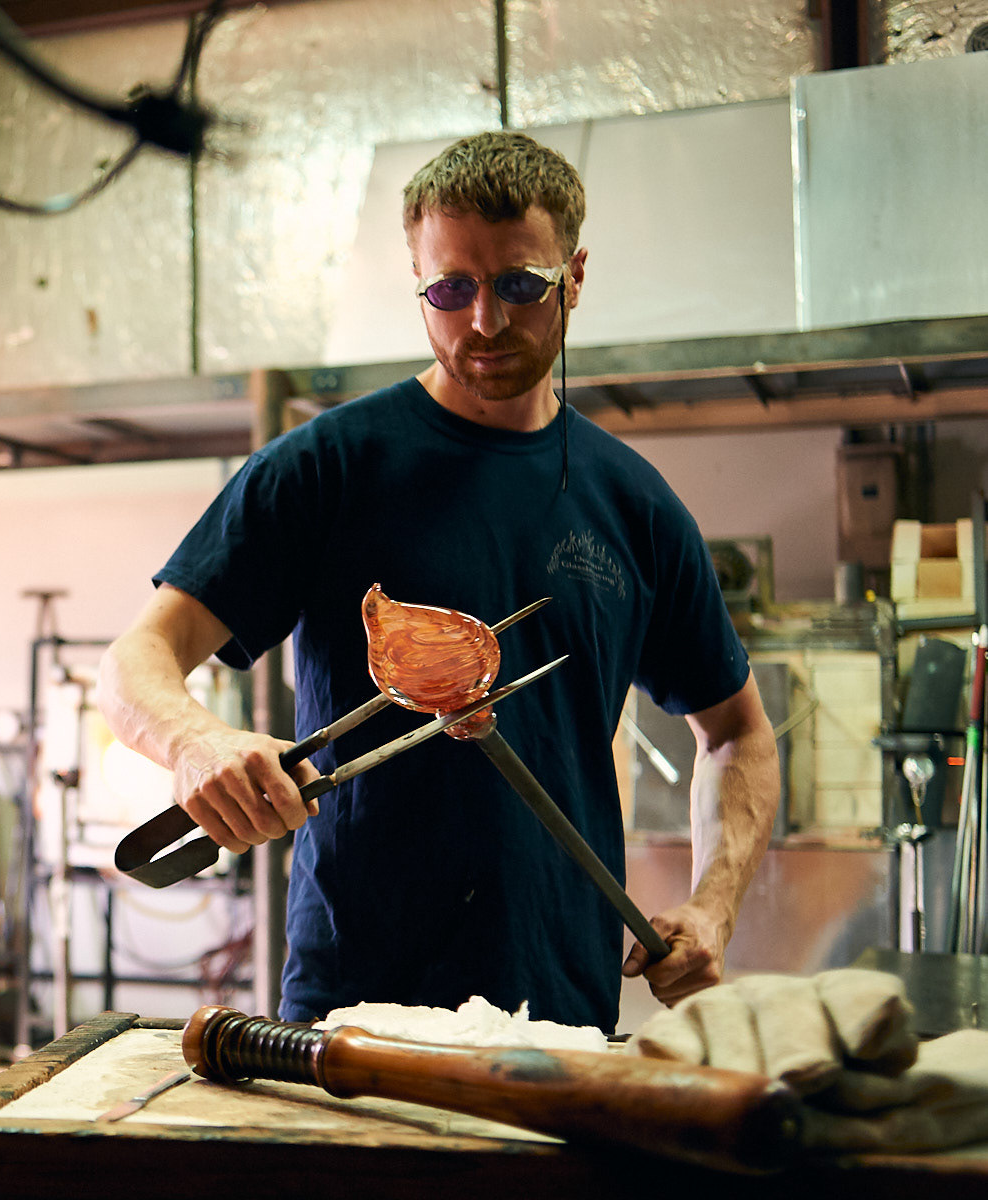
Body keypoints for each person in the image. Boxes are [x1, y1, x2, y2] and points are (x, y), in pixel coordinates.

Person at [95, 131, 780, 1031]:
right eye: (451, 290)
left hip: (559, 1010)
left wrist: (712, 904)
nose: (484, 321)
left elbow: (737, 734)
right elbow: (135, 658)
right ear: (417, 282)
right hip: (352, 1010)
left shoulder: (633, 506)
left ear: (573, 278)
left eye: (519, 285)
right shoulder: (326, 469)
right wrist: (195, 743)